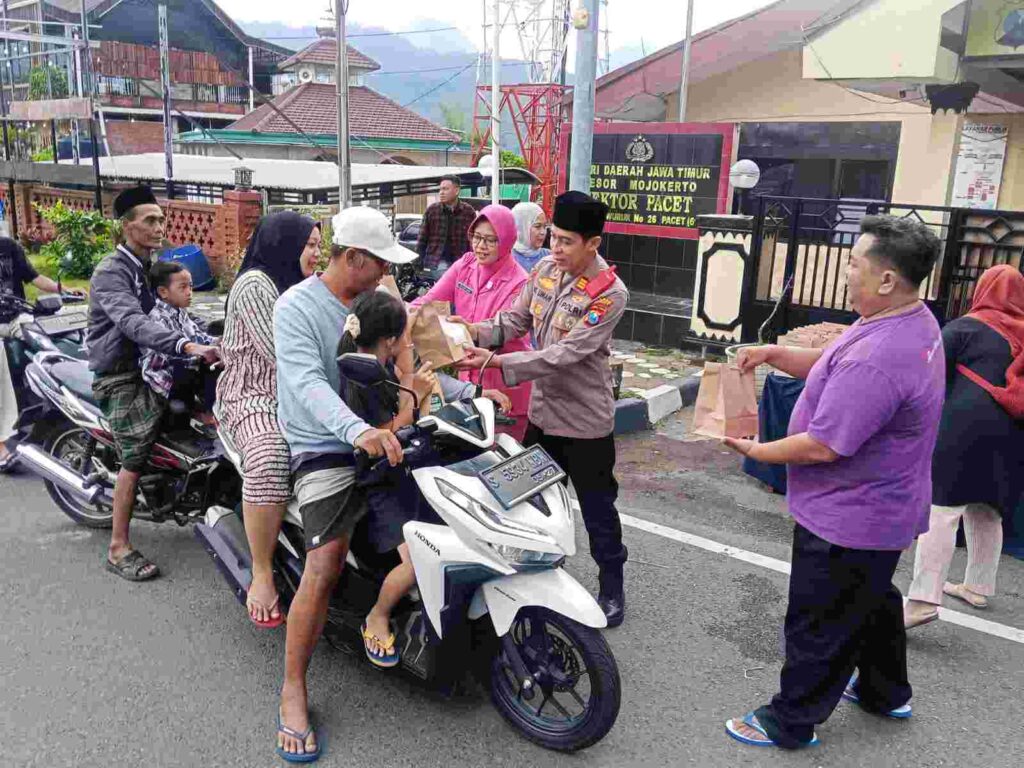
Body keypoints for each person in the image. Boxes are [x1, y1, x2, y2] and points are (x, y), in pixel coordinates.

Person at [720, 215, 945, 750]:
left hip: (851, 516)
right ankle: (885, 692)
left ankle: (791, 720)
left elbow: (824, 445)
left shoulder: (880, 355)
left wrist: (758, 451)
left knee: (819, 618)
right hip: (883, 508)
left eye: (852, 263)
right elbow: (833, 363)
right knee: (871, 598)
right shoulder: (908, 320)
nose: (845, 272)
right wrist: (774, 353)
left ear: (886, 278)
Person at [272, 206, 414, 763]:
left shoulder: (375, 302)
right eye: (380, 263)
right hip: (323, 446)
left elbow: (408, 359)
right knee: (325, 561)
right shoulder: (296, 307)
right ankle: (293, 689)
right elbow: (306, 382)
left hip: (379, 434)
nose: (385, 273)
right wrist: (357, 432)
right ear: (352, 257)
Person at [454, 190, 630, 627]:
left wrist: (499, 363)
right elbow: (514, 321)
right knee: (525, 501)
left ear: (593, 243)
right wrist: (471, 331)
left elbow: (565, 354)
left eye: (567, 242)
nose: (556, 249)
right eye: (553, 237)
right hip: (543, 415)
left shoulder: (610, 293)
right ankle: (528, 578)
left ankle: (612, 585)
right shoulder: (546, 271)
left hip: (585, 424)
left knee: (597, 510)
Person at [336, 290, 510, 667]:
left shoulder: (383, 365)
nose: (410, 342)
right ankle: (377, 615)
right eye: (406, 335)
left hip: (408, 468)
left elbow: (418, 381)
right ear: (389, 341)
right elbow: (381, 439)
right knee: (420, 559)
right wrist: (411, 398)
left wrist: (424, 381)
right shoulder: (363, 379)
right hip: (382, 481)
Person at [87, 185, 219, 581]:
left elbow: (177, 313)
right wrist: (185, 345)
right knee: (135, 454)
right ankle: (118, 547)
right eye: (150, 221)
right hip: (122, 374)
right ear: (126, 227)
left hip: (155, 364)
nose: (159, 227)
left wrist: (219, 335)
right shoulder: (112, 271)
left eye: (161, 219)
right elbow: (133, 322)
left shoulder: (153, 266)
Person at [216, 211, 321, 628]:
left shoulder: (306, 285)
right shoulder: (255, 285)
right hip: (255, 395)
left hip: (298, 391)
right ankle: (262, 572)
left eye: (319, 245)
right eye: (309, 245)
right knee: (271, 454)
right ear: (285, 244)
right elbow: (284, 353)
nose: (316, 253)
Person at [905, 265, 1024, 628]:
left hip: (964, 429)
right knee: (987, 509)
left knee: (942, 511)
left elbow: (929, 377)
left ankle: (923, 600)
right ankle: (977, 586)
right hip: (1013, 433)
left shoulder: (965, 328)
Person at [411, 203, 531, 440]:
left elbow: (505, 328)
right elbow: (428, 302)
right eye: (476, 237)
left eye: (490, 240)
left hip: (505, 387)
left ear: (507, 240)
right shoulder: (465, 266)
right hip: (469, 384)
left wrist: (471, 331)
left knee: (501, 454)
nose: (480, 246)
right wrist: (399, 315)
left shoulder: (520, 282)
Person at [0, 234, 82, 471]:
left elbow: (34, 278)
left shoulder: (8, 246)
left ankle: (71, 404)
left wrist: (64, 289)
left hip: (16, 316)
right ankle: (2, 443)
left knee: (55, 340)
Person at [140, 261, 218, 419]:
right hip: (164, 380)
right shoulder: (157, 318)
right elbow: (160, 363)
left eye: (190, 286)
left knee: (214, 361)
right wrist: (201, 355)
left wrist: (218, 342)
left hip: (183, 370)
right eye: (183, 288)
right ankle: (197, 413)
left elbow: (197, 336)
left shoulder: (180, 312)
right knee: (195, 367)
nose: (189, 292)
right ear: (163, 292)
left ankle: (210, 409)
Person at [416, 174, 476, 274]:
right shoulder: (432, 210)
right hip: (435, 262)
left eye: (445, 189)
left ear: (456, 191)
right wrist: (418, 262)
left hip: (460, 262)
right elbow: (422, 239)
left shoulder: (468, 212)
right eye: (440, 189)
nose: (441, 192)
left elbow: (473, 240)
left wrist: (472, 262)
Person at [510, 201, 551, 274]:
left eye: (545, 227)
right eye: (537, 226)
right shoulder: (507, 259)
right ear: (522, 228)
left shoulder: (550, 257)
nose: (543, 232)